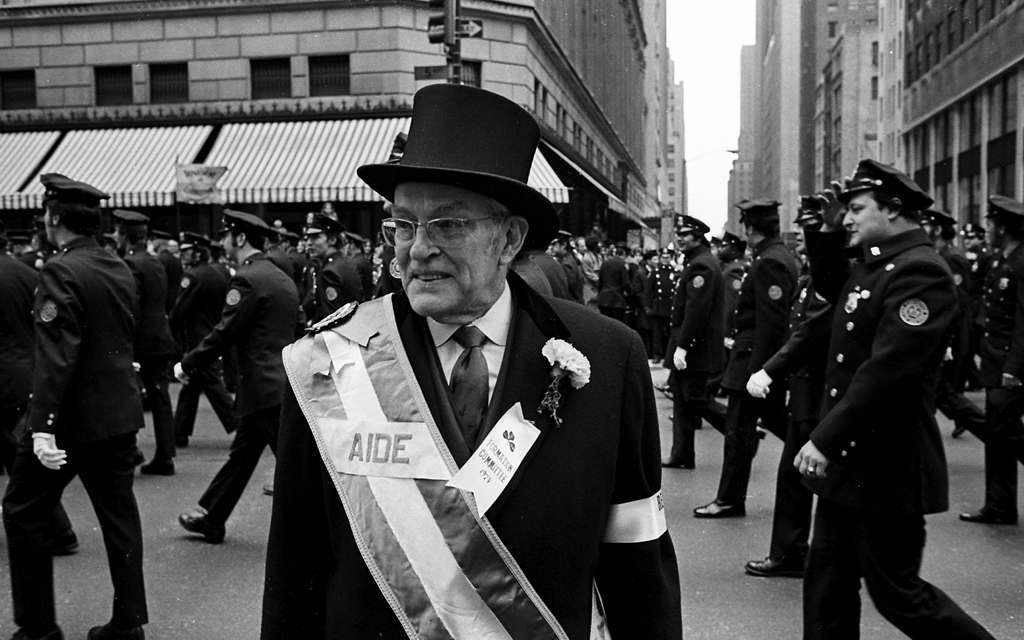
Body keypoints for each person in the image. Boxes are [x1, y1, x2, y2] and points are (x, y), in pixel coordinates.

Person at [261, 83, 681, 639]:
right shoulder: (332, 360)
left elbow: (636, 559)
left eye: (448, 225)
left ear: (509, 239)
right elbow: (297, 567)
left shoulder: (607, 355)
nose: (417, 249)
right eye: (403, 225)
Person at [797, 159, 995, 640]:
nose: (847, 218)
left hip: (887, 465)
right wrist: (824, 233)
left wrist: (824, 439)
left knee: (900, 596)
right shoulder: (878, 264)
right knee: (827, 585)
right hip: (851, 464)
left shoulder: (921, 272)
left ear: (893, 208)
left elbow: (887, 371)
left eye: (857, 209)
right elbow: (835, 293)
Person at [3, 174, 148, 640]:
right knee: (120, 520)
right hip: (118, 414)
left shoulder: (61, 270)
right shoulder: (117, 265)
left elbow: (57, 354)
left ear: (55, 218)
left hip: (69, 421)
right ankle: (128, 624)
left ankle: (38, 627)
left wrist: (42, 426)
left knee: (24, 510)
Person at [174, 210, 299, 543]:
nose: (223, 242)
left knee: (293, 467)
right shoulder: (279, 276)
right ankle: (212, 517)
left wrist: (187, 363)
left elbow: (224, 331)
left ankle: (324, 535)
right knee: (243, 456)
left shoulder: (247, 278)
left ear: (239, 238)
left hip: (260, 386)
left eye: (226, 235)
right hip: (277, 383)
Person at [744, 195, 833, 578]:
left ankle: (791, 554)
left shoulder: (828, 281)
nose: (802, 237)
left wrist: (768, 370)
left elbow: (808, 335)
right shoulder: (810, 276)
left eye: (812, 229)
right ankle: (792, 552)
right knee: (796, 479)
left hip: (817, 393)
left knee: (801, 480)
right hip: (803, 391)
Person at [694, 198, 799, 518]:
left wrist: (760, 372)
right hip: (756, 360)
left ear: (749, 227)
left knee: (737, 435)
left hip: (752, 362)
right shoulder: (778, 256)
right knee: (783, 426)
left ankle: (728, 499)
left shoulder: (769, 261)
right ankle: (831, 461)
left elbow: (771, 322)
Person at [959, 195, 1024, 525]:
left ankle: (1000, 504)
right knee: (999, 437)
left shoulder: (1020, 262)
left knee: (1008, 435)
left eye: (993, 224)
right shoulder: (1002, 260)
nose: (988, 230)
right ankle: (999, 505)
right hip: (995, 363)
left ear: (1003, 227)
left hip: (1010, 367)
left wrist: (1014, 368)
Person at [112, 209, 179, 475]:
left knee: (128, 398)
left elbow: (132, 308)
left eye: (118, 232)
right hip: (161, 337)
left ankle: (133, 452)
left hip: (142, 343)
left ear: (124, 235)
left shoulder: (130, 264)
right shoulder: (153, 261)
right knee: (160, 398)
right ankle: (165, 455)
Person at [662, 215, 726, 469]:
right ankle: (682, 454)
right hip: (692, 347)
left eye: (685, 235)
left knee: (694, 398)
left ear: (698, 237)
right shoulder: (698, 262)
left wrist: (683, 346)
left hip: (695, 349)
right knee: (683, 400)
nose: (679, 239)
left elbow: (696, 310)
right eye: (678, 234)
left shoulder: (701, 266)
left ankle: (740, 430)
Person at [921, 208, 987, 440]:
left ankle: (1001, 436)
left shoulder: (952, 258)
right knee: (940, 396)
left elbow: (958, 304)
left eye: (925, 225)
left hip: (953, 339)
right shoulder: (940, 255)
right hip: (946, 339)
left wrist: (950, 342)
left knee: (946, 396)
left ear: (937, 229)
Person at [169, 232, 238, 447]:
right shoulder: (220, 272)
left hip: (197, 337)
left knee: (210, 383)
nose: (182, 255)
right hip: (212, 331)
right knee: (193, 384)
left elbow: (179, 311)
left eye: (186, 251)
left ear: (197, 252)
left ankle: (240, 423)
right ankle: (179, 432)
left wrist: (172, 333)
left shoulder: (192, 276)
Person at [596, 243, 632, 323]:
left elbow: (600, 281)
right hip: (617, 300)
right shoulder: (622, 265)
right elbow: (625, 283)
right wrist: (630, 293)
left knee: (604, 323)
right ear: (623, 255)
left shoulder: (604, 263)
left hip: (604, 299)